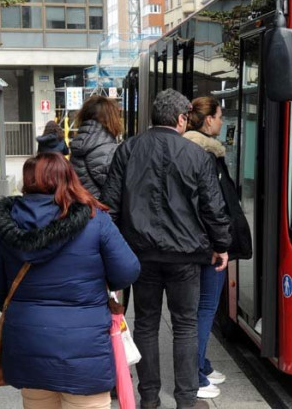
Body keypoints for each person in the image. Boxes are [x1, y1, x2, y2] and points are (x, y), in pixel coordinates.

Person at [100, 89, 231, 409]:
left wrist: (112, 251)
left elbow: (110, 206)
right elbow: (213, 209)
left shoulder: (127, 150)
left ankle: (149, 398)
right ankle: (186, 399)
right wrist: (221, 245)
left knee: (145, 322)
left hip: (140, 255)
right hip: (186, 257)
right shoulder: (197, 156)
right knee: (185, 325)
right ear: (181, 118)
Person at [0, 152, 140, 409]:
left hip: (28, 343)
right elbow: (128, 271)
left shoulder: (6, 224)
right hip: (85, 351)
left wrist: (23, 307)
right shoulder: (94, 218)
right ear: (69, 178)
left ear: (27, 181)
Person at [184, 96, 252, 399]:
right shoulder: (205, 155)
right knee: (205, 310)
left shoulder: (196, 150)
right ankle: (196, 376)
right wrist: (220, 244)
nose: (223, 122)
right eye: (219, 116)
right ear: (207, 120)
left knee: (203, 310)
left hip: (200, 243)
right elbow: (212, 206)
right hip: (208, 247)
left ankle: (203, 364)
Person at [70, 95, 122, 200]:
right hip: (100, 212)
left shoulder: (77, 146)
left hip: (80, 210)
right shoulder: (109, 150)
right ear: (111, 119)